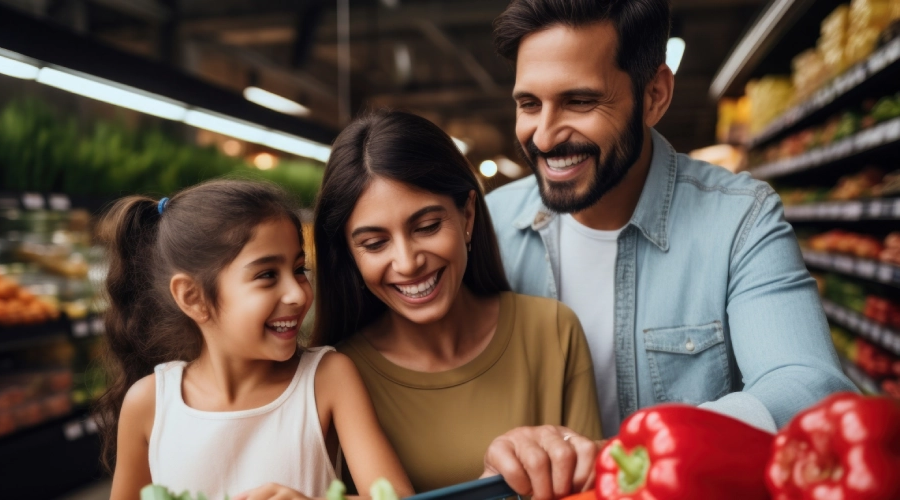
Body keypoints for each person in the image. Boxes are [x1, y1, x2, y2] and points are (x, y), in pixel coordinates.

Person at [484, 0, 857, 495]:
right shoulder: (488, 226)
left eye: (579, 102)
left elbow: (810, 390)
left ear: (655, 95)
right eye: (529, 104)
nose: (545, 135)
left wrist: (629, 456)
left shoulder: (738, 219)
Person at [310, 110, 602, 494]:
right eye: (374, 243)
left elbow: (593, 488)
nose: (408, 262)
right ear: (349, 255)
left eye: (428, 227)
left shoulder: (552, 330)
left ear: (467, 214)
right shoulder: (336, 378)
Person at [97, 180, 412, 500]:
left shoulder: (327, 378)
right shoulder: (149, 403)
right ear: (192, 297)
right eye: (267, 275)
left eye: (300, 269)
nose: (297, 293)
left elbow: (396, 495)